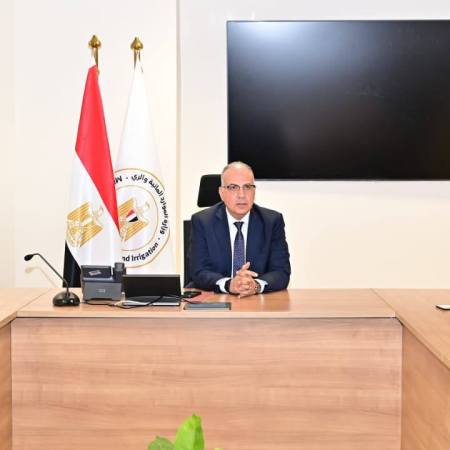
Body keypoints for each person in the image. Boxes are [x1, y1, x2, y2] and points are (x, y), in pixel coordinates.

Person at [189, 161, 290, 297]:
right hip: (216, 299)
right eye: (233, 187)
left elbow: (281, 272)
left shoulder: (271, 221)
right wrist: (229, 284)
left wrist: (256, 285)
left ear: (254, 191)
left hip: (256, 301)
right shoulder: (202, 221)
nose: (241, 194)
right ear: (221, 193)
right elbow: (198, 271)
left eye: (247, 187)